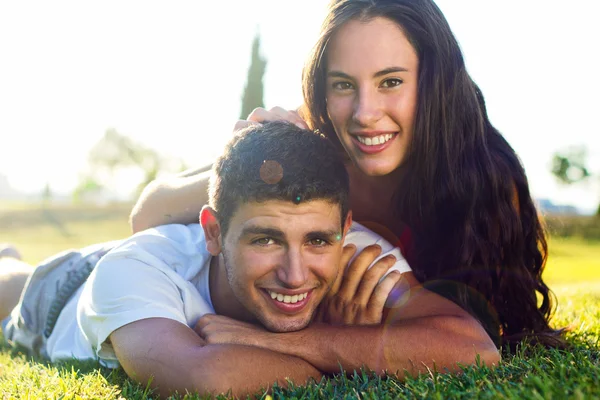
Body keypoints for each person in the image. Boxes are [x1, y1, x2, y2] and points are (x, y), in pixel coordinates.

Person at [130, 0, 563, 348]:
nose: (365, 114)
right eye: (343, 85)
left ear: (432, 83)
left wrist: (320, 338)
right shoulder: (309, 150)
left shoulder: (482, 179)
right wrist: (238, 160)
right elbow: (147, 215)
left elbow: (482, 335)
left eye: (390, 82)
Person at [1, 122, 499, 398]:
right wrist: (374, 352)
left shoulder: (355, 254)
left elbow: (473, 349)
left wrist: (280, 342)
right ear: (214, 232)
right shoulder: (129, 271)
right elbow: (205, 378)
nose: (296, 273)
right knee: (11, 281)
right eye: (266, 240)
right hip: (64, 293)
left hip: (164, 264)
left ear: (344, 231)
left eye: (318, 242)